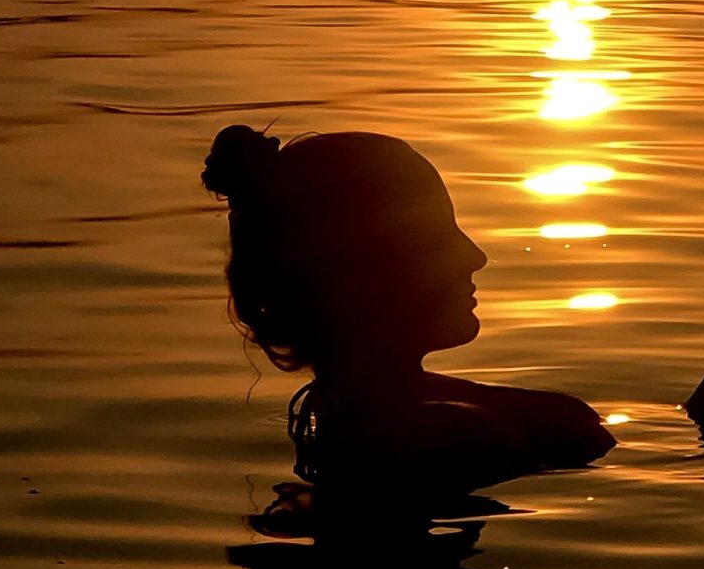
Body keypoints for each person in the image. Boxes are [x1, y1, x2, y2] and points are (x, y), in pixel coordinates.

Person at [202, 124, 614, 499]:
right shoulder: (448, 434)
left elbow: (568, 418)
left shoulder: (348, 409)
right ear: (365, 275)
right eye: (435, 237)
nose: (476, 256)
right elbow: (570, 428)